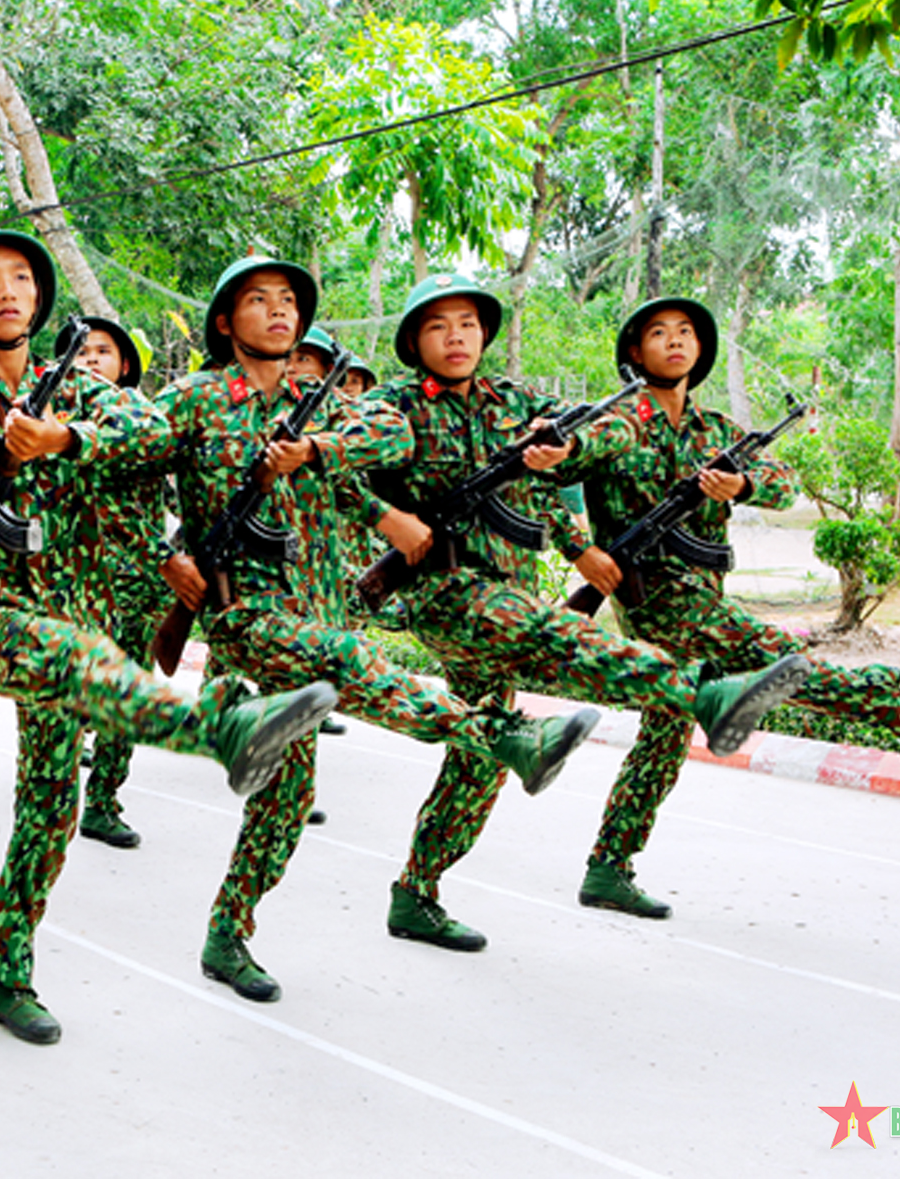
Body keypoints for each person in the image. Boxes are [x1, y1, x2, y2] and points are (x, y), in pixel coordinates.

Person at [0, 229, 340, 1046]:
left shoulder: (81, 394)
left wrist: (66, 440)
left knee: (53, 805)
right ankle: (218, 731)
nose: (9, 291)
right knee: (69, 660)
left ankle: (4, 973)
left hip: (75, 615)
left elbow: (159, 438)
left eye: (22, 277)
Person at [145, 257, 600, 1003]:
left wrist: (337, 467)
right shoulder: (190, 400)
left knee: (286, 798)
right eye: (259, 301)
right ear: (226, 320)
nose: (279, 312)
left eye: (289, 300)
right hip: (249, 613)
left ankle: (227, 934)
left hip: (320, 604)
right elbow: (121, 479)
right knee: (342, 658)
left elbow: (387, 438)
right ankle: (506, 738)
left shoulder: (326, 402)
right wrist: (166, 558)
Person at [359, 272, 813, 951]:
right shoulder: (393, 407)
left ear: (485, 333)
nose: (456, 338)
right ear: (415, 339)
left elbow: (579, 438)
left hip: (508, 586)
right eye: (437, 326)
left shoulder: (513, 401)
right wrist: (385, 517)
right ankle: (703, 694)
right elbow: (335, 467)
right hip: (449, 596)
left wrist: (564, 457)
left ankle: (416, 892)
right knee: (558, 640)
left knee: (486, 746)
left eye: (468, 324)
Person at [570, 297, 900, 916]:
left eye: (687, 332)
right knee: (784, 660)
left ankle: (606, 870)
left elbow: (781, 483)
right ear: (634, 351)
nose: (676, 341)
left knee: (664, 736)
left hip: (703, 590)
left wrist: (742, 484)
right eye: (658, 332)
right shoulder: (618, 423)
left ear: (701, 350)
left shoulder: (717, 431)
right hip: (655, 597)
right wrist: (581, 551)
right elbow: (547, 470)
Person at [56, 316, 171, 849]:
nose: (91, 362)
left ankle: (102, 799)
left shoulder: (143, 420)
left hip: (135, 583)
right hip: (68, 583)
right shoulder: (50, 427)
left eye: (102, 352)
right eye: (79, 354)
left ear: (124, 365)